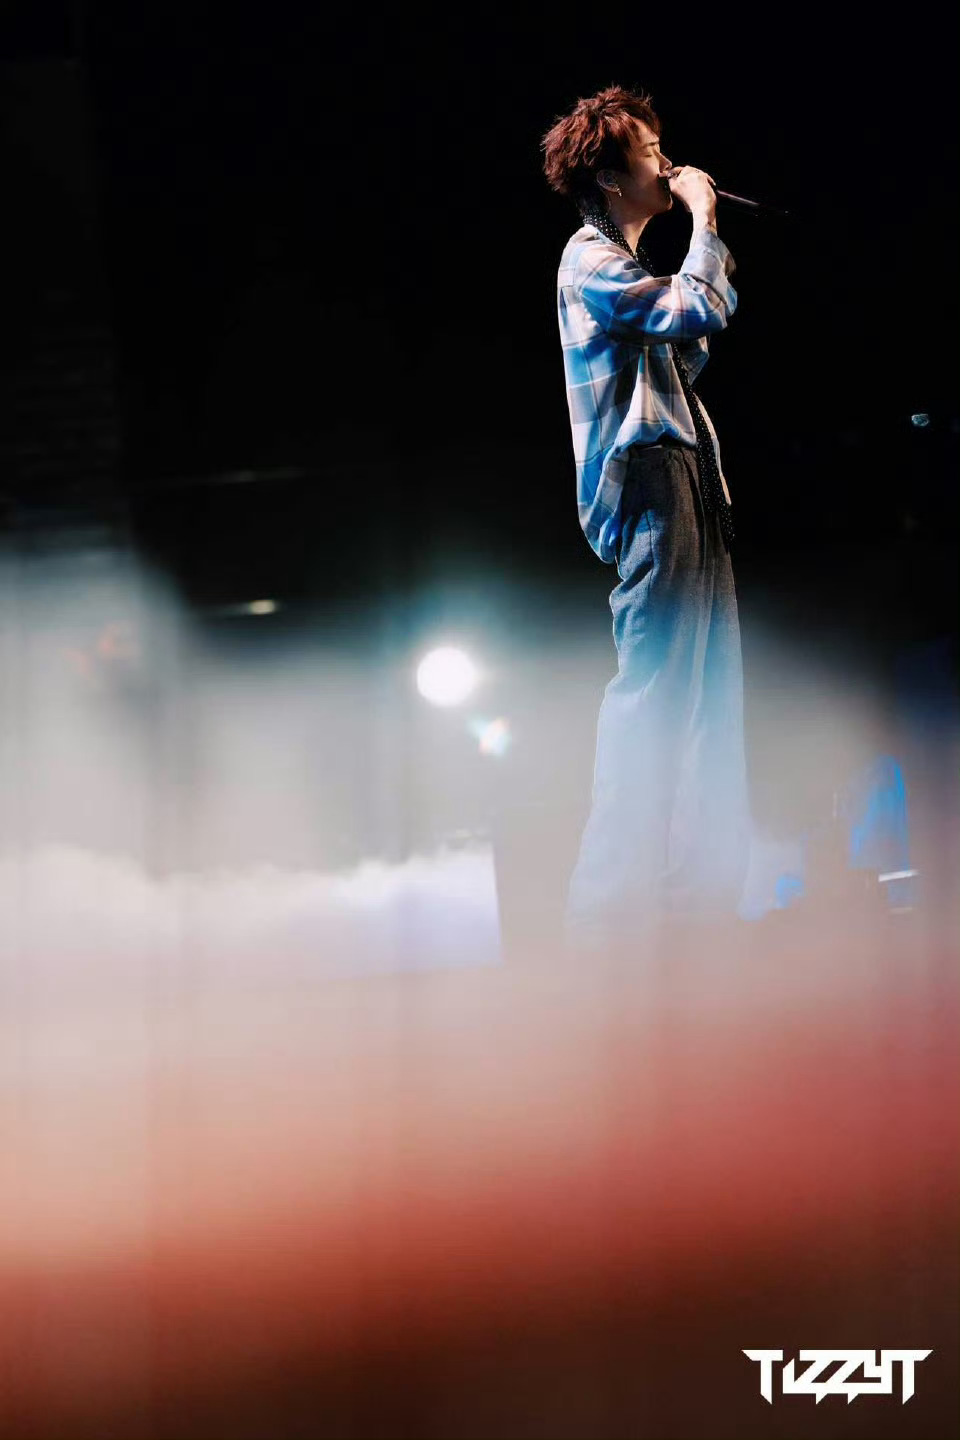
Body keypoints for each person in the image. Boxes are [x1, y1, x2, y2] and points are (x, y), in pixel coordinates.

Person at [541, 86, 750, 951]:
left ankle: (695, 910)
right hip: (652, 485)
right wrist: (704, 217)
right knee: (656, 697)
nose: (667, 162)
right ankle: (608, 921)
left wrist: (697, 253)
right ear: (608, 174)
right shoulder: (588, 261)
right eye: (650, 150)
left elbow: (689, 339)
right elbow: (697, 308)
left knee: (707, 705)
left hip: (688, 478)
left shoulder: (623, 265)